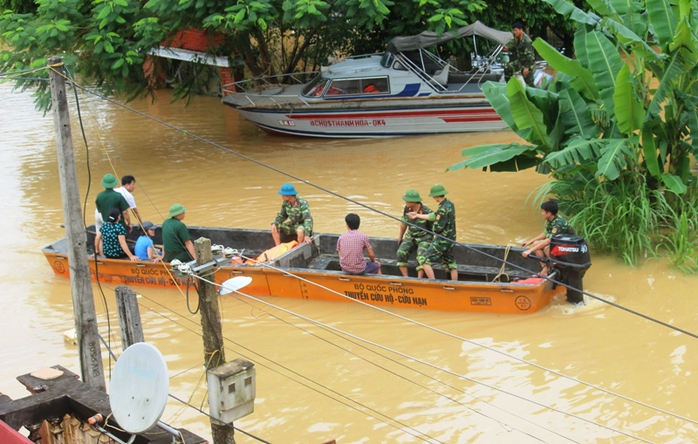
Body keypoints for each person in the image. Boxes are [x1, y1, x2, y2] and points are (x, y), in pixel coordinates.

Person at [408, 184, 457, 280]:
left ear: (436, 196)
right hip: (451, 238)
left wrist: (433, 229)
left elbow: (438, 227)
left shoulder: (442, 209)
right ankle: (455, 285)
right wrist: (417, 215)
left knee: (423, 259)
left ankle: (433, 282)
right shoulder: (450, 204)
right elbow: (434, 216)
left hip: (442, 240)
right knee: (451, 263)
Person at [521, 200, 574, 276]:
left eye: (543, 211)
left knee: (547, 249)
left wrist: (530, 250)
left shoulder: (559, 223)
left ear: (549, 213)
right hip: (557, 242)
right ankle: (545, 270)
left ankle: (555, 270)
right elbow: (545, 233)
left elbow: (548, 240)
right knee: (536, 243)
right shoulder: (551, 219)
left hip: (567, 245)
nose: (542, 213)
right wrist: (530, 241)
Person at [397, 190, 433, 278]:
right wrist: (400, 236)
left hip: (425, 238)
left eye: (407, 200)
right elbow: (404, 223)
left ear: (413, 202)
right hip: (411, 236)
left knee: (421, 256)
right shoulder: (407, 208)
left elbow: (433, 229)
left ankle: (419, 279)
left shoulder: (427, 211)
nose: (405, 202)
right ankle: (406, 277)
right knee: (400, 253)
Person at [503, 21, 535, 87]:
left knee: (529, 84)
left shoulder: (526, 41)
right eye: (514, 31)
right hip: (520, 62)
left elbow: (530, 56)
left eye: (516, 30)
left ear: (521, 30)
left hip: (527, 64)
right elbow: (517, 48)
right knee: (507, 68)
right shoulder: (518, 39)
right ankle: (510, 86)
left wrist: (527, 67)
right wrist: (508, 48)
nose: (515, 32)